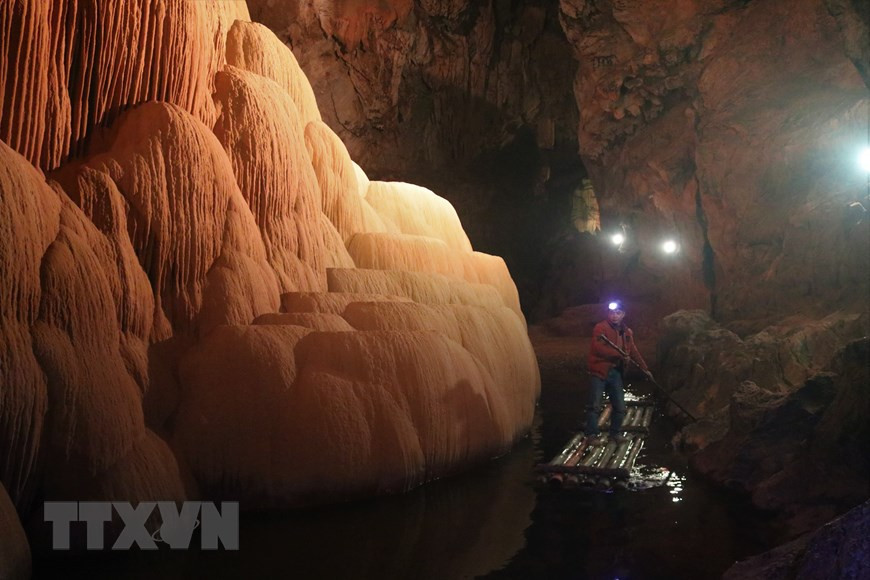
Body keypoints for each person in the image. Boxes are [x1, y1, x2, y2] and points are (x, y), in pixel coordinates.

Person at [585, 300, 651, 442]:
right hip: (599, 370)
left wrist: (645, 369)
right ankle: (592, 434)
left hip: (616, 372)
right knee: (595, 405)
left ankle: (615, 433)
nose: (614, 315)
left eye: (618, 313)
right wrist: (619, 355)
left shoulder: (626, 332)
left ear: (623, 315)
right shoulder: (600, 328)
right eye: (612, 312)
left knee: (620, 406)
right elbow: (598, 348)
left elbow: (633, 350)